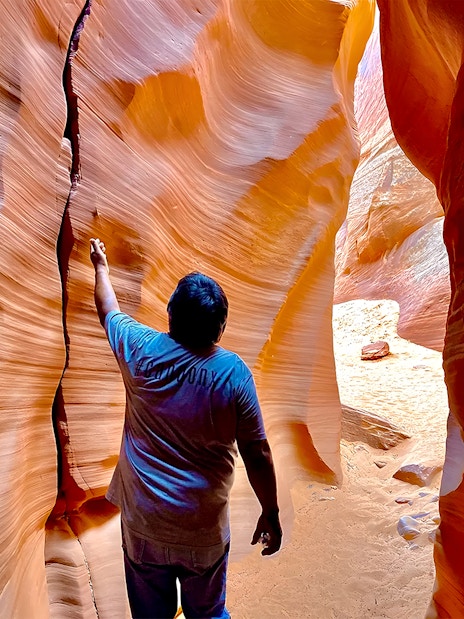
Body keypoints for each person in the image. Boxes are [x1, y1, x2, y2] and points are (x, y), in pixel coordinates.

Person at [90, 238, 282, 619]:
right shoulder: (233, 374)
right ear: (221, 326)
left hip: (144, 522)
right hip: (201, 529)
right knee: (208, 613)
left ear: (169, 314)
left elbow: (107, 308)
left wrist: (100, 267)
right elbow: (256, 453)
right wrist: (270, 511)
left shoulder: (139, 349)